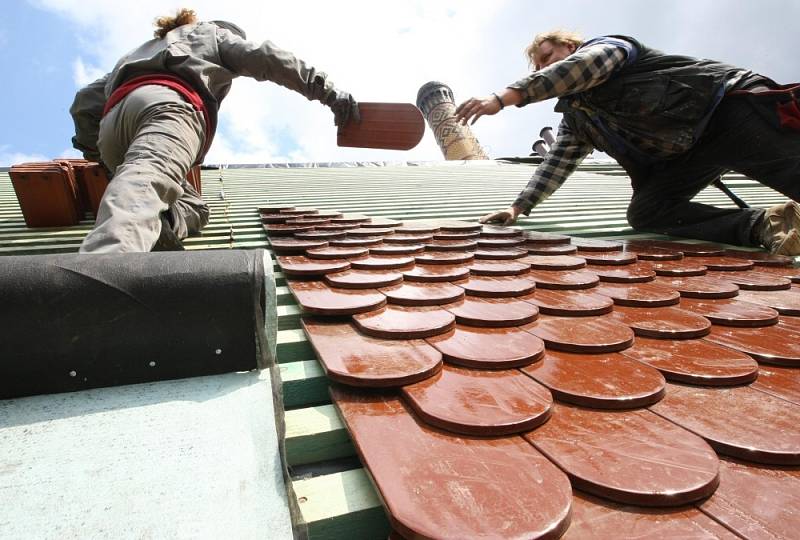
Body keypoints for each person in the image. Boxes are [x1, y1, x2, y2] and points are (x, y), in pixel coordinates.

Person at [455, 30, 800, 256]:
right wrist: (519, 207)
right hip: (690, 152)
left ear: (569, 46)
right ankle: (767, 224)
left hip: (725, 111)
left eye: (548, 55)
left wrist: (503, 98)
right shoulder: (578, 118)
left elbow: (577, 70)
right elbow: (556, 163)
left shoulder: (611, 50)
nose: (546, 64)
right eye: (540, 63)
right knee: (648, 211)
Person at [70, 8, 359, 253]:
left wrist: (98, 155)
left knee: (193, 205)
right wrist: (328, 92)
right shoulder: (211, 34)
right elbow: (268, 58)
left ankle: (160, 225)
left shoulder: (139, 51)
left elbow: (85, 102)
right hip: (168, 106)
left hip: (113, 125)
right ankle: (101, 272)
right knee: (145, 183)